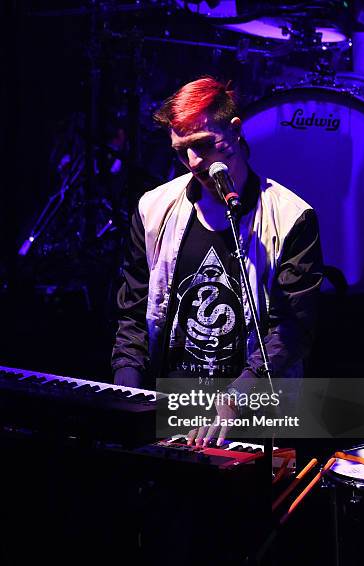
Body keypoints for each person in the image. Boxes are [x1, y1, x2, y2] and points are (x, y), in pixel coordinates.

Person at [112, 75, 323, 446]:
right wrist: (125, 393)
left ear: (236, 131)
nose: (193, 162)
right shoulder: (152, 209)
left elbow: (293, 329)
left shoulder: (292, 217)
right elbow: (133, 314)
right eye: (180, 151)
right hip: (171, 413)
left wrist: (235, 398)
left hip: (254, 418)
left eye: (204, 145)